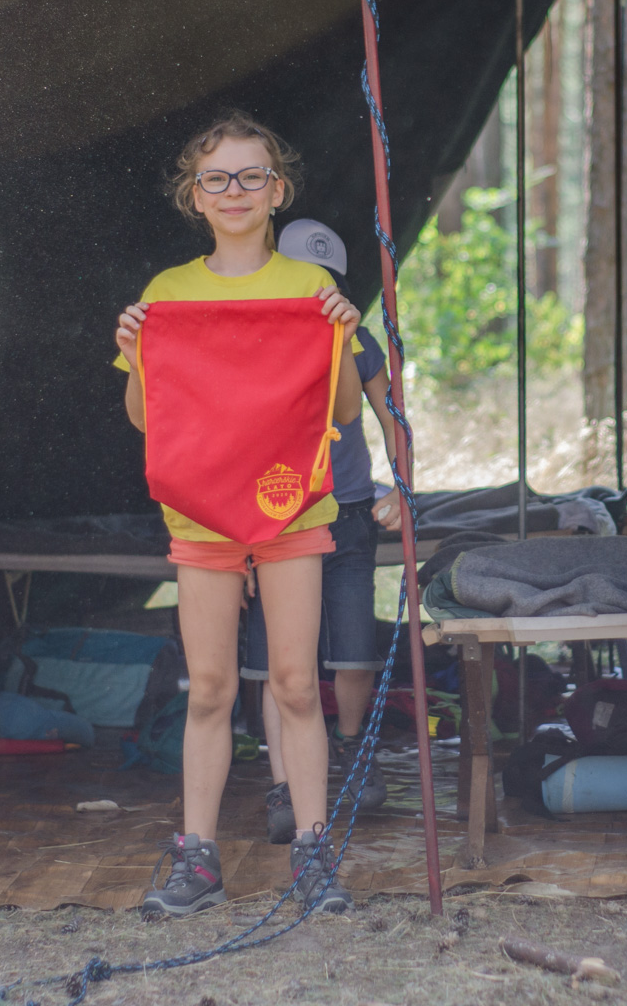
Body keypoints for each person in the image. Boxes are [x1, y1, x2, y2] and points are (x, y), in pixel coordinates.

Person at [114, 111, 363, 917]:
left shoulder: (310, 288)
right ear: (195, 195)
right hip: (200, 518)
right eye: (217, 178)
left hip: (294, 508)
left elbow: (344, 411)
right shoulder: (167, 292)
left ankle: (314, 855)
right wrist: (137, 355)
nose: (234, 191)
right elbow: (146, 419)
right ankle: (198, 860)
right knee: (211, 689)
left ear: (276, 191)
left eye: (251, 176)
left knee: (296, 685)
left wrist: (343, 334)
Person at [244, 218, 405, 844]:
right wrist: (240, 537)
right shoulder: (254, 341)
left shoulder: (356, 339)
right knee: (281, 666)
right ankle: (284, 787)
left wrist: (404, 487)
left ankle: (350, 747)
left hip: (350, 512)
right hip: (277, 517)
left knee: (354, 651)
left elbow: (390, 415)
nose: (314, 294)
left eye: (326, 284)